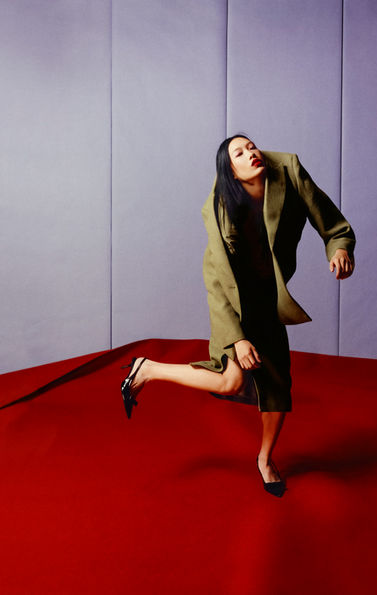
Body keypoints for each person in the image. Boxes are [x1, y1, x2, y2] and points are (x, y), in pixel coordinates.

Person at [121, 134, 355, 497]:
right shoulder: (219, 205)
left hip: (268, 297)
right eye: (239, 153)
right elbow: (216, 280)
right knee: (232, 380)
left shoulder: (288, 170)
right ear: (230, 170)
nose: (251, 154)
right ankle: (149, 369)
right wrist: (238, 338)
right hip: (232, 297)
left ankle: (265, 459)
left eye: (251, 147)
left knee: (276, 387)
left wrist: (339, 248)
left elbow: (331, 221)